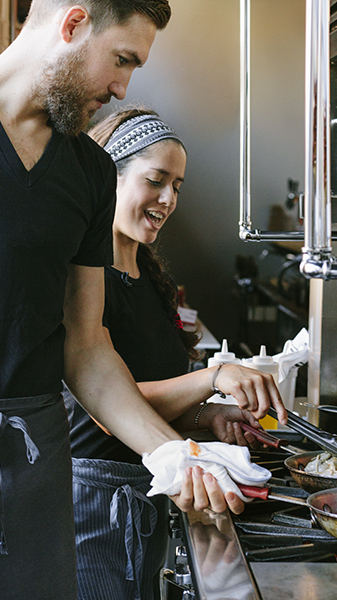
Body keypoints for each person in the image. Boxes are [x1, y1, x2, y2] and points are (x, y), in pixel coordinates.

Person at [64, 107, 287, 600]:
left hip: (144, 487)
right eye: (155, 180)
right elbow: (105, 411)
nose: (169, 199)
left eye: (178, 185)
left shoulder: (146, 275)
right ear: (110, 178)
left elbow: (146, 397)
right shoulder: (85, 277)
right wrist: (212, 378)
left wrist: (205, 418)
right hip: (95, 504)